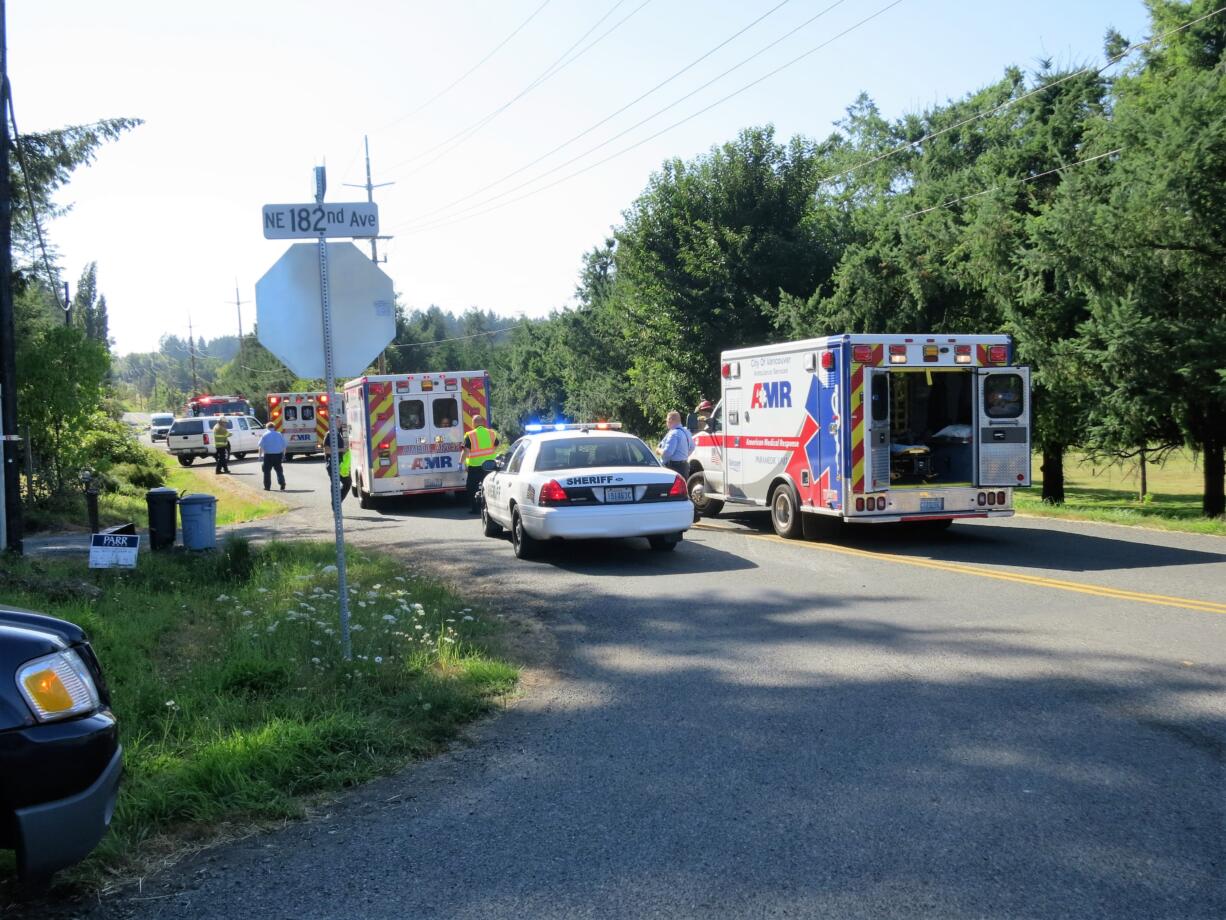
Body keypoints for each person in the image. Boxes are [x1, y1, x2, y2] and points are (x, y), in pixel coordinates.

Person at [460, 414, 500, 513]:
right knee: (490, 487)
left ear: (473, 423)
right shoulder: (491, 433)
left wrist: (460, 463)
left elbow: (466, 451)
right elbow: (496, 445)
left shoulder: (470, 435)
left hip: (475, 466)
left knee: (471, 487)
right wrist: (490, 453)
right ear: (483, 423)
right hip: (490, 465)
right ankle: (491, 508)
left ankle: (475, 509)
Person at [658, 410, 694, 479]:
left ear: (671, 420)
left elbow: (668, 452)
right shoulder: (686, 432)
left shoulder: (673, 433)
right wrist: (684, 456)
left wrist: (658, 450)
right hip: (684, 467)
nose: (666, 423)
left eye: (667, 420)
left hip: (673, 467)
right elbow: (692, 447)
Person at [323, 429, 352, 509]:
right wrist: (341, 450)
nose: (340, 422)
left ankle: (336, 503)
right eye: (338, 420)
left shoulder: (339, 433)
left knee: (347, 483)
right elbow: (327, 450)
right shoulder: (329, 434)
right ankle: (335, 506)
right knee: (335, 484)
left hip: (341, 464)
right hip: (332, 464)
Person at [258, 422, 287, 491]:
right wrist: (284, 455)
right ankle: (282, 483)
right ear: (274, 427)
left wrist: (260, 456)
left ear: (267, 427)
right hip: (278, 455)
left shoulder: (264, 435)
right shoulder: (279, 434)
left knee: (266, 471)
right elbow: (284, 446)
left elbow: (260, 446)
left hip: (268, 455)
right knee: (279, 470)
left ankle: (267, 487)